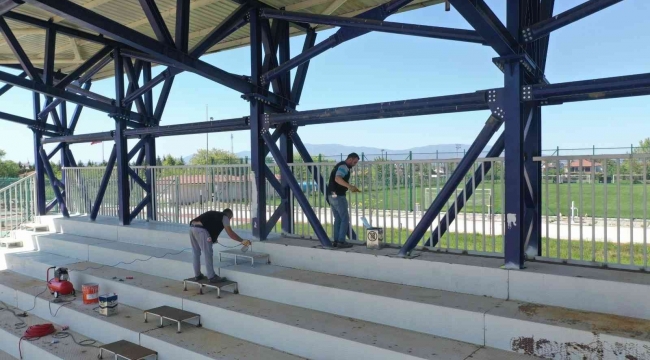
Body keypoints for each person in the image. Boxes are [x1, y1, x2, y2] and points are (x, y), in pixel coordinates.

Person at [189, 208, 251, 282]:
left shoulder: (215, 214)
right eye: (230, 218)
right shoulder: (224, 217)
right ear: (229, 215)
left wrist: (213, 239)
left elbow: (210, 226)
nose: (229, 220)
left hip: (192, 228)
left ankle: (197, 275)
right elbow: (230, 233)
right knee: (208, 253)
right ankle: (211, 277)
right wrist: (242, 240)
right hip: (201, 231)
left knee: (195, 252)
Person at [327, 153, 360, 248]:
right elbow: (338, 178)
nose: (355, 164)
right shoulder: (343, 167)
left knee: (337, 218)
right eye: (354, 162)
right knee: (345, 219)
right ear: (350, 159)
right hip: (338, 196)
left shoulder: (339, 165)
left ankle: (336, 241)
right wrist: (349, 186)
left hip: (331, 195)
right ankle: (341, 241)